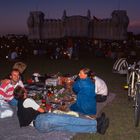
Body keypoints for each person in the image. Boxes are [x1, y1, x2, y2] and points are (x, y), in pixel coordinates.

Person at [14, 85, 109, 134]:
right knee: (68, 119)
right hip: (41, 120)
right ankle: (97, 123)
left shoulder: (19, 104)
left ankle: (95, 130)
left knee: (68, 127)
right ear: (24, 92)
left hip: (40, 128)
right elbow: (42, 111)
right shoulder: (27, 100)